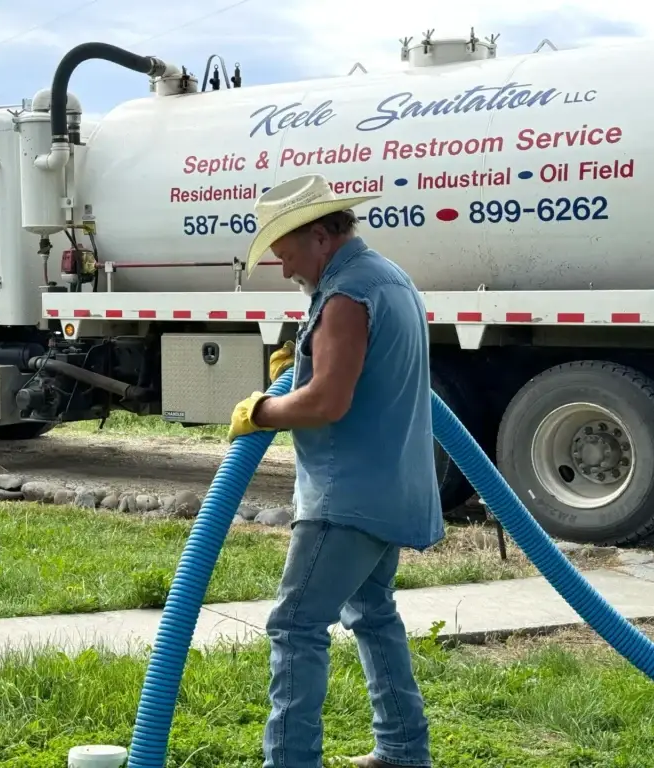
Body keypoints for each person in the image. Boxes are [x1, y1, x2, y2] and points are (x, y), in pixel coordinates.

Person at [228, 174, 445, 768]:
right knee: (373, 614)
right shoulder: (388, 278)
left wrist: (261, 410)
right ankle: (402, 749)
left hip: (346, 498)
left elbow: (328, 402)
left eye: (287, 252)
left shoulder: (347, 294)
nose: (283, 266)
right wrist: (297, 361)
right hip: (391, 486)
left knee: (295, 626)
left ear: (321, 236)